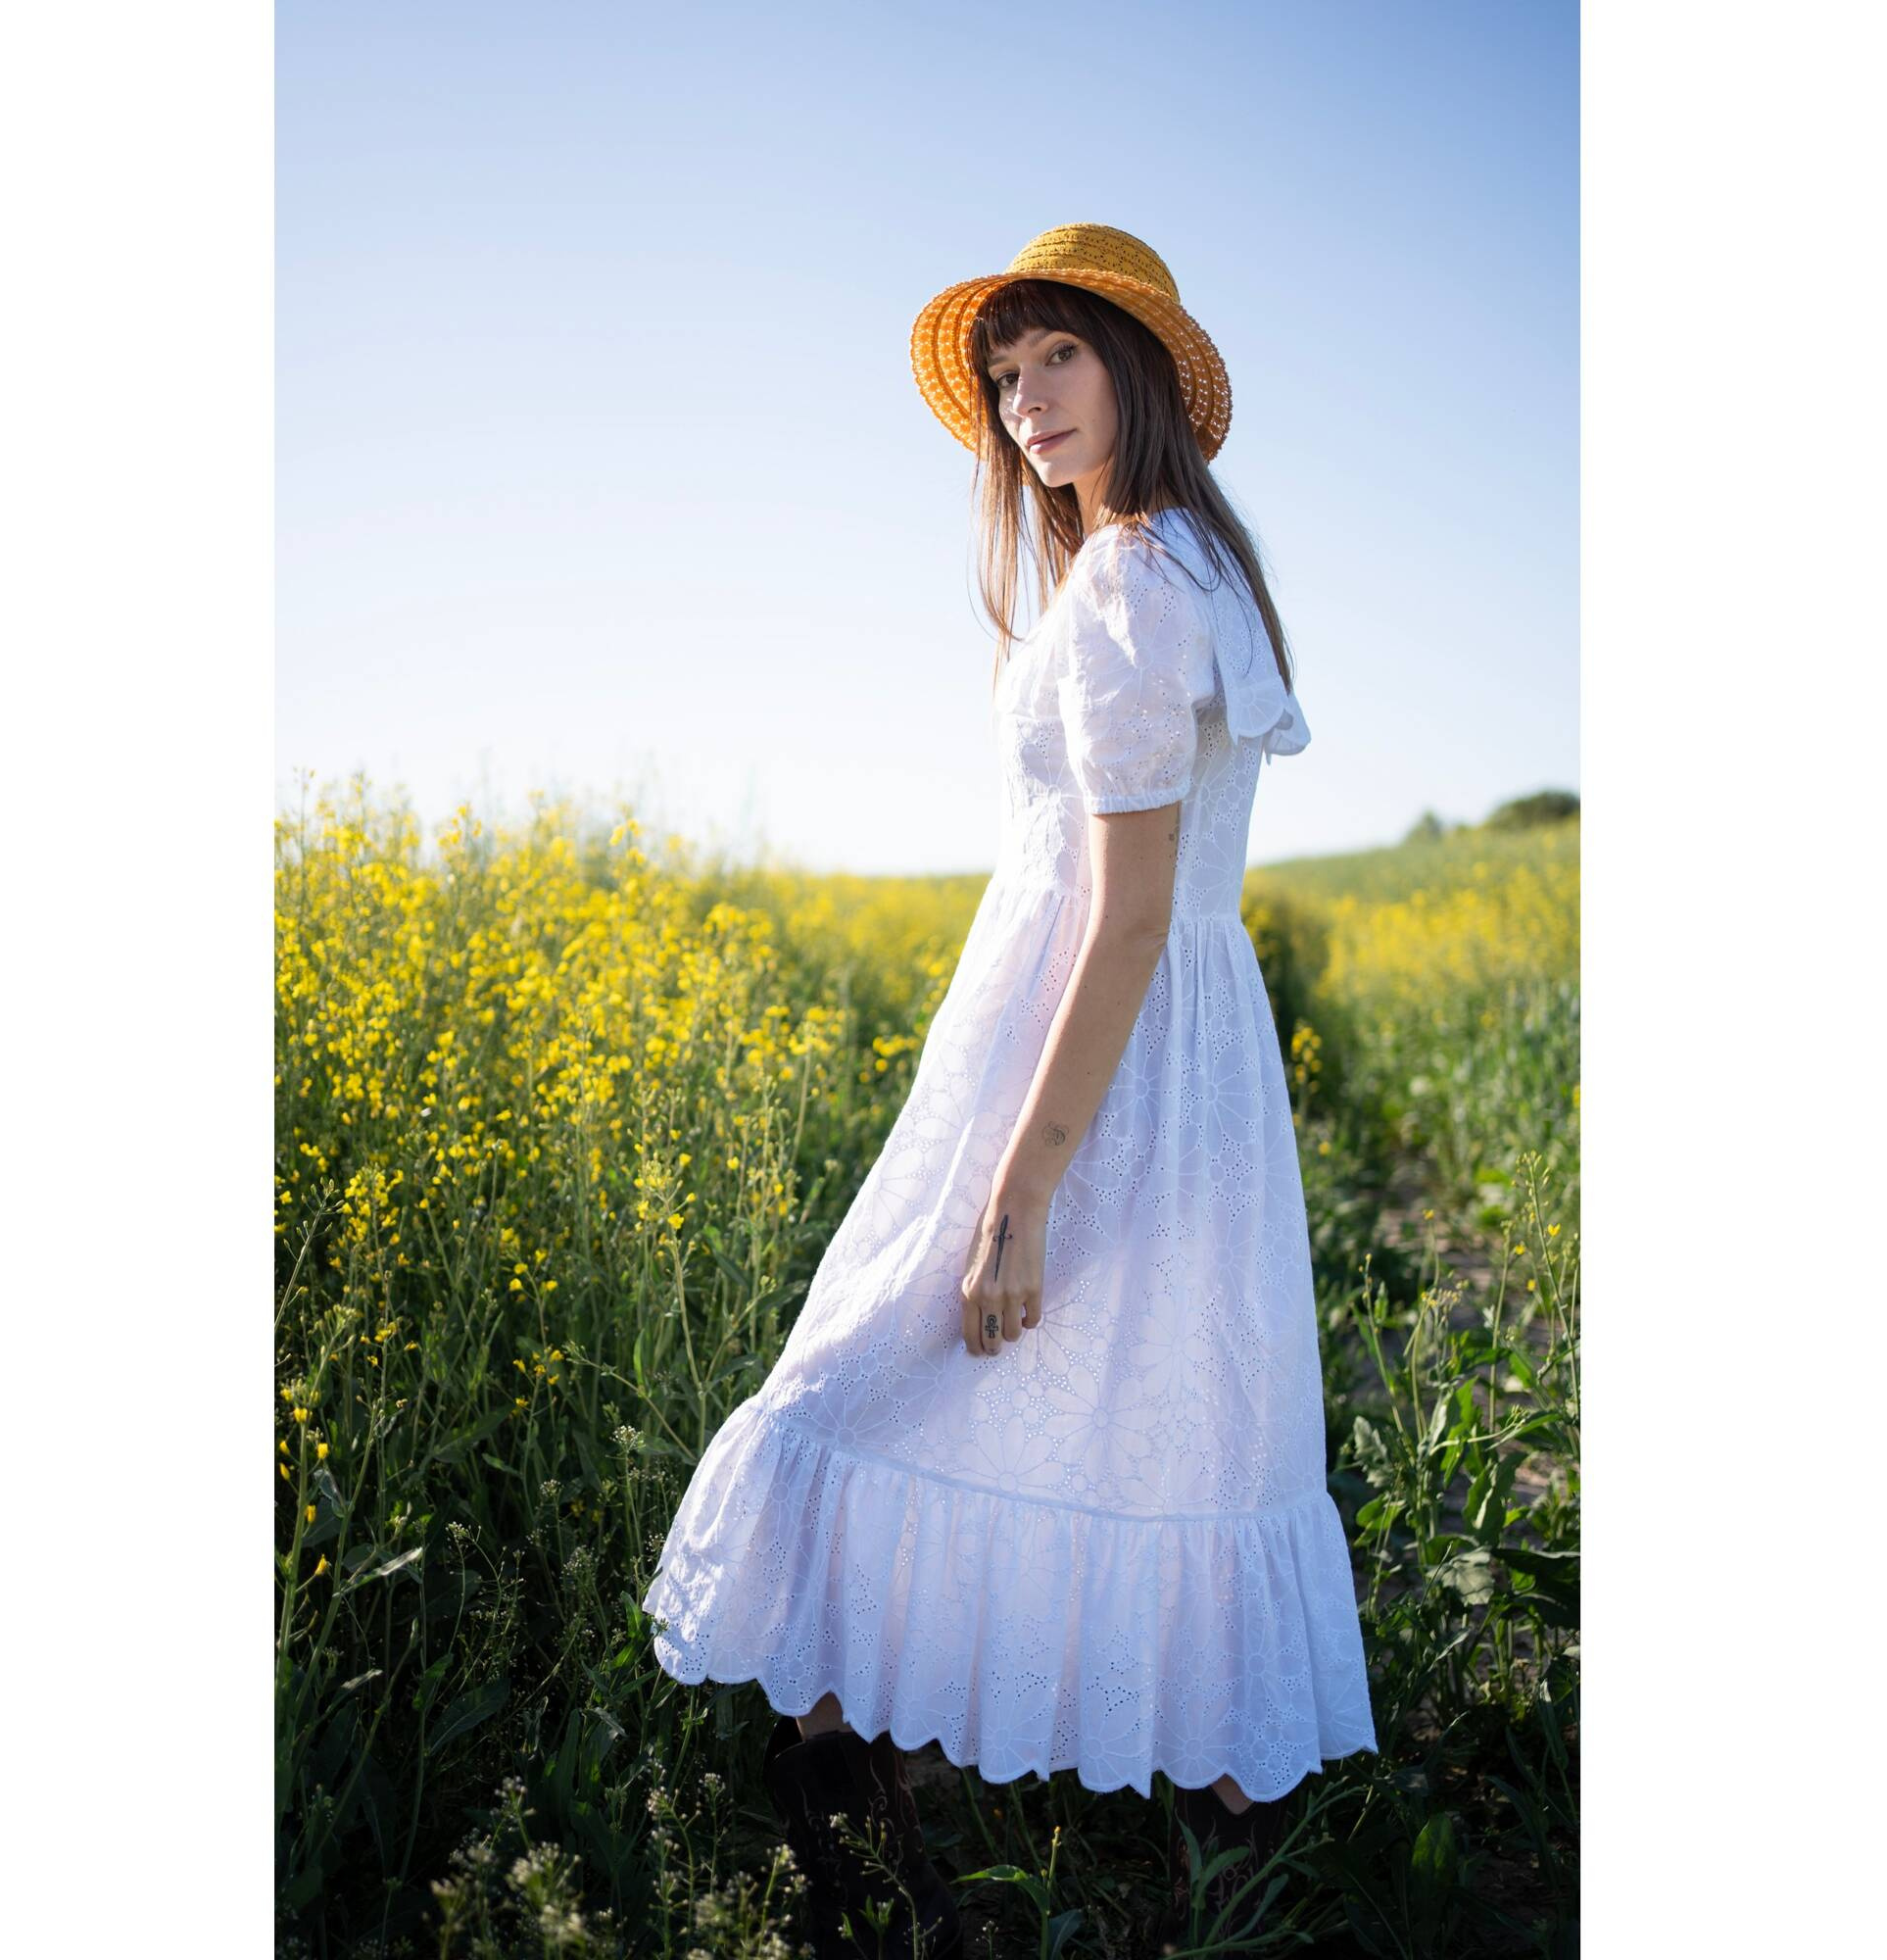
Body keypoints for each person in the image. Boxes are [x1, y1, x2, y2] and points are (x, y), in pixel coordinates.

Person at [640, 222, 1379, 1958]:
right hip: (1173, 1056)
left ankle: (854, 1796)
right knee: (1163, 1415)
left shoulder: (1126, 582)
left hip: (1093, 1048)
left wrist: (1022, 1188)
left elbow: (1126, 913)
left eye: (1060, 356)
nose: (1026, 398)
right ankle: (1175, 1823)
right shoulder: (1189, 560)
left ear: (1139, 372)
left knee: (869, 1386)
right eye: (1006, 371)